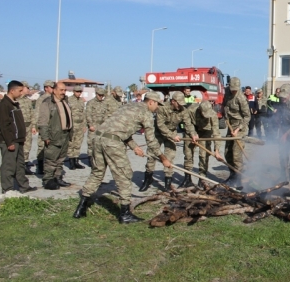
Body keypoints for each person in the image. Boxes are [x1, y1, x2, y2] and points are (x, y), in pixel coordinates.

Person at [73, 92, 171, 224]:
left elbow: (119, 129)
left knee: (97, 173)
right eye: (157, 104)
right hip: (112, 143)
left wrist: (134, 147)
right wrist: (163, 158)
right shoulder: (146, 113)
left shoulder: (128, 106)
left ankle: (81, 208)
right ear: (151, 102)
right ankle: (125, 214)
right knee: (124, 175)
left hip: (98, 138)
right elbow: (151, 141)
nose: (158, 107)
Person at [143, 92, 198, 190]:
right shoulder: (162, 108)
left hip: (171, 134)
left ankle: (168, 183)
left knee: (169, 157)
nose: (181, 106)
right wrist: (172, 136)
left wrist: (193, 134)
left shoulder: (183, 110)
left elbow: (188, 124)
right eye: (179, 103)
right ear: (173, 101)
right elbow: (160, 126)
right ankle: (148, 178)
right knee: (152, 155)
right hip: (158, 133)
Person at [168, 100, 223, 190]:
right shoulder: (191, 110)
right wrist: (193, 134)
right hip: (191, 130)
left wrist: (216, 150)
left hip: (206, 132)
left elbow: (216, 133)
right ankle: (187, 177)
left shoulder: (213, 115)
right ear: (200, 110)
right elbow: (187, 123)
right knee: (188, 153)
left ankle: (202, 178)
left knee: (204, 155)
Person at [0, 80, 37, 193]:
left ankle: (23, 186)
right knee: (8, 166)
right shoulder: (4, 105)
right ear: (12, 90)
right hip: (9, 141)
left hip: (18, 140)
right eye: (19, 90)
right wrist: (9, 142)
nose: (21, 93)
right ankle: (8, 189)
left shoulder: (15, 103)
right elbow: (4, 125)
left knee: (20, 165)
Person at [38, 82, 73, 189]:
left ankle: (57, 177)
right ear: (54, 90)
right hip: (54, 136)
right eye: (61, 90)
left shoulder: (65, 101)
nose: (63, 92)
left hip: (65, 135)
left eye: (64, 90)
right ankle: (48, 180)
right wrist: (45, 137)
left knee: (60, 159)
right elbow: (43, 121)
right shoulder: (47, 103)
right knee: (51, 159)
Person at [222, 77, 251, 186]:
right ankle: (232, 176)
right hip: (230, 126)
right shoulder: (227, 92)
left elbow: (247, 117)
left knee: (236, 155)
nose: (233, 91)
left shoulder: (241, 98)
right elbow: (225, 104)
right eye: (232, 89)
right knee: (227, 153)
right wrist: (223, 110)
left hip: (240, 127)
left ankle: (239, 181)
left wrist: (238, 129)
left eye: (235, 89)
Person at [33, 80, 55, 175]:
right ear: (46, 88)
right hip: (44, 125)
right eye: (51, 87)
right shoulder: (42, 99)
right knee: (42, 146)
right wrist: (36, 125)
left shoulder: (53, 98)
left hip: (52, 126)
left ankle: (49, 166)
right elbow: (37, 112)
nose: (53, 89)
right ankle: (40, 166)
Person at [85, 88, 109, 167]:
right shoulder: (91, 103)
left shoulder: (104, 104)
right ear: (96, 94)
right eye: (99, 95)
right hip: (93, 125)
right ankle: (91, 159)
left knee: (100, 143)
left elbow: (106, 115)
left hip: (101, 126)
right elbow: (88, 114)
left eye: (102, 96)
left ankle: (99, 160)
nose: (101, 97)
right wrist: (90, 125)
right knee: (91, 143)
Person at [16, 81, 35, 175]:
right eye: (27, 88)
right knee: (19, 147)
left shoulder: (28, 100)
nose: (28, 90)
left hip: (28, 126)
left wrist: (33, 126)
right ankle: (18, 166)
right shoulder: (16, 100)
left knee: (27, 146)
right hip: (19, 127)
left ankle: (25, 165)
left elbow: (32, 114)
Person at [67, 85, 87, 170]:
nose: (78, 93)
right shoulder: (69, 100)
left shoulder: (81, 101)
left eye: (80, 92)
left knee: (78, 144)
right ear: (74, 91)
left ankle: (76, 161)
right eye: (77, 92)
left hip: (80, 125)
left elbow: (83, 114)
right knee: (71, 143)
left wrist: (84, 125)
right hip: (72, 125)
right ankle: (71, 162)